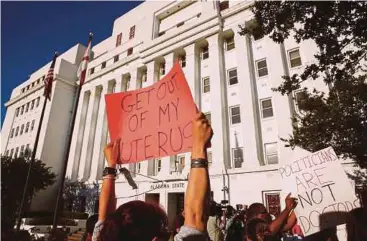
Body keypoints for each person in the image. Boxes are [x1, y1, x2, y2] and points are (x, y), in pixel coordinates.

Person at [93, 112, 213, 241]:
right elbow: (195, 218)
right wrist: (199, 145)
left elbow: (195, 220)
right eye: (164, 230)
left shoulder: (105, 236)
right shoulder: (102, 235)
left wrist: (199, 146)